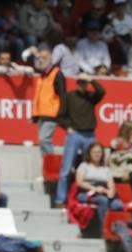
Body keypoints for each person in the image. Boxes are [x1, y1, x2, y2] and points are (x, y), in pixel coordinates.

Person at [54, 74, 105, 206]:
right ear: (76, 84)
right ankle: (60, 198)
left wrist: (92, 80)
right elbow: (60, 116)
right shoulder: (69, 97)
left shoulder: (90, 97)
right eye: (81, 83)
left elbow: (101, 91)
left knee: (88, 168)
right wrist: (68, 127)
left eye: (85, 83)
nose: (83, 85)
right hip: (75, 134)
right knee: (66, 168)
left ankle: (82, 196)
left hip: (89, 135)